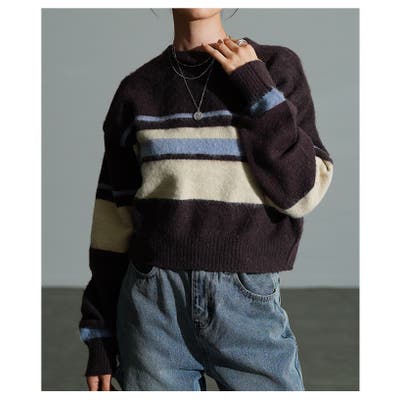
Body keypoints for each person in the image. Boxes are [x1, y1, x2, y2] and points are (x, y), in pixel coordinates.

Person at [78, 8, 334, 391]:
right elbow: (113, 221)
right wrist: (100, 332)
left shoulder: (273, 68)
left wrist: (257, 89)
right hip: (152, 309)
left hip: (246, 303)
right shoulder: (136, 91)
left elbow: (301, 193)